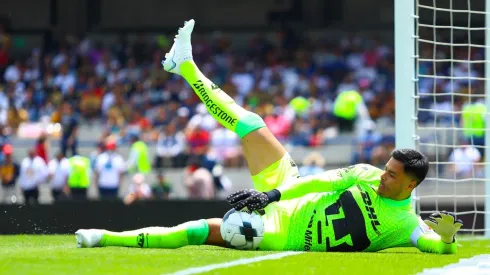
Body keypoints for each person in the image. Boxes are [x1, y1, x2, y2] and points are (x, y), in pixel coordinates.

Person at [75, 20, 463, 254]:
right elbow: (320, 181)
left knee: (200, 231)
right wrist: (272, 195)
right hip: (288, 190)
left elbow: (433, 245)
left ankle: (105, 238)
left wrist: (446, 240)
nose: (383, 175)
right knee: (251, 124)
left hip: (282, 234)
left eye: (393, 175)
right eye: (386, 168)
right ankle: (187, 67)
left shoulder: (406, 224)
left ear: (411, 185)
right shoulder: (365, 173)